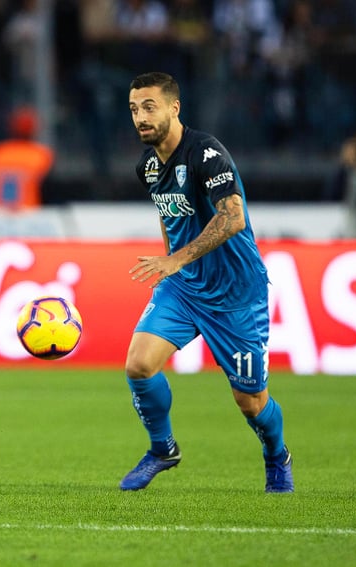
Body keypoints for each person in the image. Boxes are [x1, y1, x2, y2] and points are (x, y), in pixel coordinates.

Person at [120, 72, 293, 493]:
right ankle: (163, 449)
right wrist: (170, 264)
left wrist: (176, 257)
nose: (140, 117)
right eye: (133, 109)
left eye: (149, 107)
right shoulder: (147, 166)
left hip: (235, 294)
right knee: (139, 365)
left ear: (173, 108)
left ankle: (277, 454)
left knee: (250, 403)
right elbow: (169, 215)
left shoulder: (206, 152)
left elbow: (232, 217)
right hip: (184, 288)